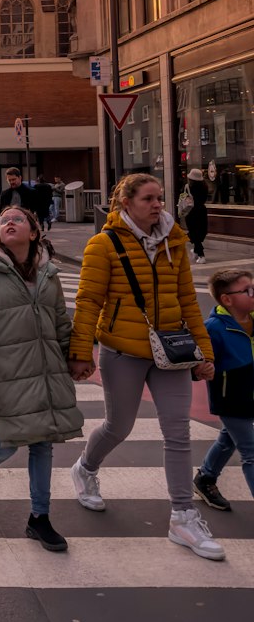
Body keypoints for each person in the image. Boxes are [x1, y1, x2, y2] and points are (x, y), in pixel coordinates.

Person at [68, 172, 222, 560]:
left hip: (171, 350)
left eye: (160, 198)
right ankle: (85, 468)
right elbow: (88, 302)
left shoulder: (175, 241)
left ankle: (183, 516)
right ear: (127, 203)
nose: (157, 205)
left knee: (178, 432)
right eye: (149, 199)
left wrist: (205, 353)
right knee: (119, 426)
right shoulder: (103, 245)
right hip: (123, 350)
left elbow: (188, 301)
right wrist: (81, 353)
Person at [0, 207, 84, 552]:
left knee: (43, 443)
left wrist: (75, 357)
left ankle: (39, 518)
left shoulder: (49, 274)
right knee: (6, 445)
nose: (8, 222)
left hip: (45, 372)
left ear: (33, 232)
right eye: (3, 220)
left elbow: (60, 322)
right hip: (6, 375)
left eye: (18, 218)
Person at [192, 267, 254, 511]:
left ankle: (206, 478)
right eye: (247, 290)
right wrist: (201, 368)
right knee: (251, 452)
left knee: (228, 439)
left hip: (251, 393)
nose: (253, 293)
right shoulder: (213, 328)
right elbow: (198, 364)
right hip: (231, 398)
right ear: (227, 299)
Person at [182, 167, 209, 264]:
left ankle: (201, 255)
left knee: (194, 233)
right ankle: (197, 251)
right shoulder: (205, 187)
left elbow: (182, 199)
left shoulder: (187, 187)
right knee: (200, 232)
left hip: (191, 211)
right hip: (201, 210)